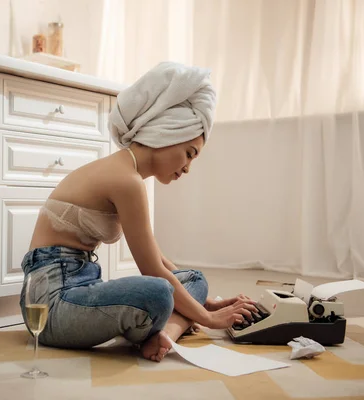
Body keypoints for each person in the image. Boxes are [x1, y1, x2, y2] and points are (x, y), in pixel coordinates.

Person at [20, 62, 258, 362]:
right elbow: (152, 271)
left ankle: (165, 335)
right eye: (189, 153)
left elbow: (157, 258)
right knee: (158, 291)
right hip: (50, 305)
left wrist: (209, 303)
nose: (187, 168)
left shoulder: (126, 172)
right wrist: (210, 319)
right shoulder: (126, 180)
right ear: (168, 134)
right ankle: (171, 331)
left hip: (82, 285)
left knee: (192, 278)